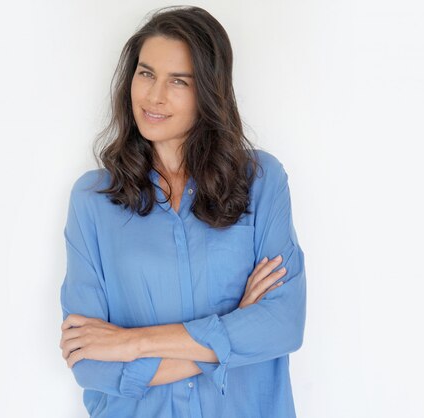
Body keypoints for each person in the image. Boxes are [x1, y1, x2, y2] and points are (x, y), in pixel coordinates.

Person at [59, 5, 306, 418]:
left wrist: (131, 343)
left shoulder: (261, 181)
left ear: (209, 91)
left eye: (179, 81)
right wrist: (232, 331)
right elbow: (89, 361)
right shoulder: (92, 200)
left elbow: (281, 325)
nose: (154, 96)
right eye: (146, 73)